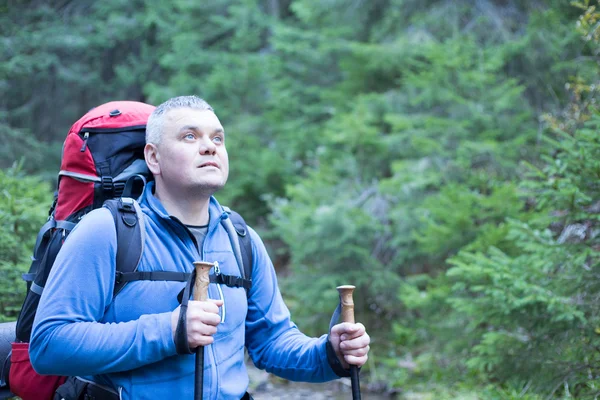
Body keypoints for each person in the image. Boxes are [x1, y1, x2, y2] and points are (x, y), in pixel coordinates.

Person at [30, 96, 370, 400]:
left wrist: (329, 354)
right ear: (154, 157)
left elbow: (272, 343)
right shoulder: (108, 231)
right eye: (190, 136)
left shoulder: (242, 239)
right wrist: (170, 331)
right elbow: (49, 344)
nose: (209, 147)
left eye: (217, 138)